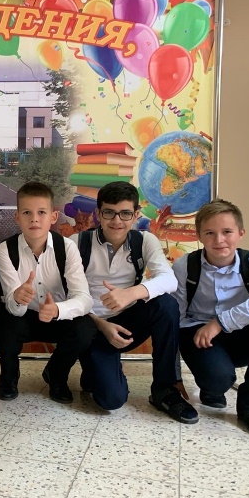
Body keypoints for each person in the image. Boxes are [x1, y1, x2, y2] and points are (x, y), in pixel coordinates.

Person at [72, 181, 198, 423]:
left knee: (166, 305)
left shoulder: (144, 241)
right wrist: (101, 324)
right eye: (109, 212)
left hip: (130, 322)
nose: (117, 221)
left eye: (125, 213)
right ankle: (98, 372)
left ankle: (164, 389)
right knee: (111, 400)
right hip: (92, 325)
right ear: (98, 214)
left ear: (136, 215)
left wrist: (130, 294)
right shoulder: (77, 243)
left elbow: (169, 280)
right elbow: (63, 294)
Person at [172, 198, 249, 437]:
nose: (219, 240)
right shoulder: (185, 266)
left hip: (243, 333)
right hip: (200, 335)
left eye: (227, 232)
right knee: (218, 378)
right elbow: (175, 318)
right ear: (199, 236)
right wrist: (174, 375)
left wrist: (220, 322)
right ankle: (212, 386)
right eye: (210, 233)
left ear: (241, 233)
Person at [0, 181, 95, 403]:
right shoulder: (5, 250)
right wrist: (18, 298)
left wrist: (58, 310)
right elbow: (12, 306)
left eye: (41, 212)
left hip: (57, 316)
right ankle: (9, 375)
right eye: (27, 213)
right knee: (3, 321)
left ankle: (56, 374)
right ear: (17, 217)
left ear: (53, 217)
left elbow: (84, 299)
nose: (34, 219)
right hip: (22, 317)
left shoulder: (67, 247)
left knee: (85, 328)